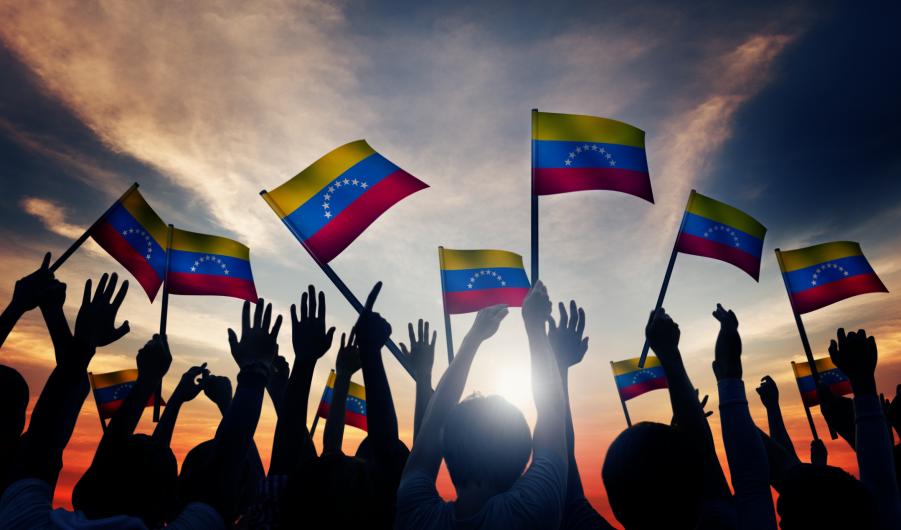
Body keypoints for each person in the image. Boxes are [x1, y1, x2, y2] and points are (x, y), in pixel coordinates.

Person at [396, 281, 568, 529]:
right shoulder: (534, 511)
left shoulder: (417, 516)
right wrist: (535, 326)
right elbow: (553, 410)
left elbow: (432, 425)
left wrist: (473, 338)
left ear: (448, 452)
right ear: (523, 455)